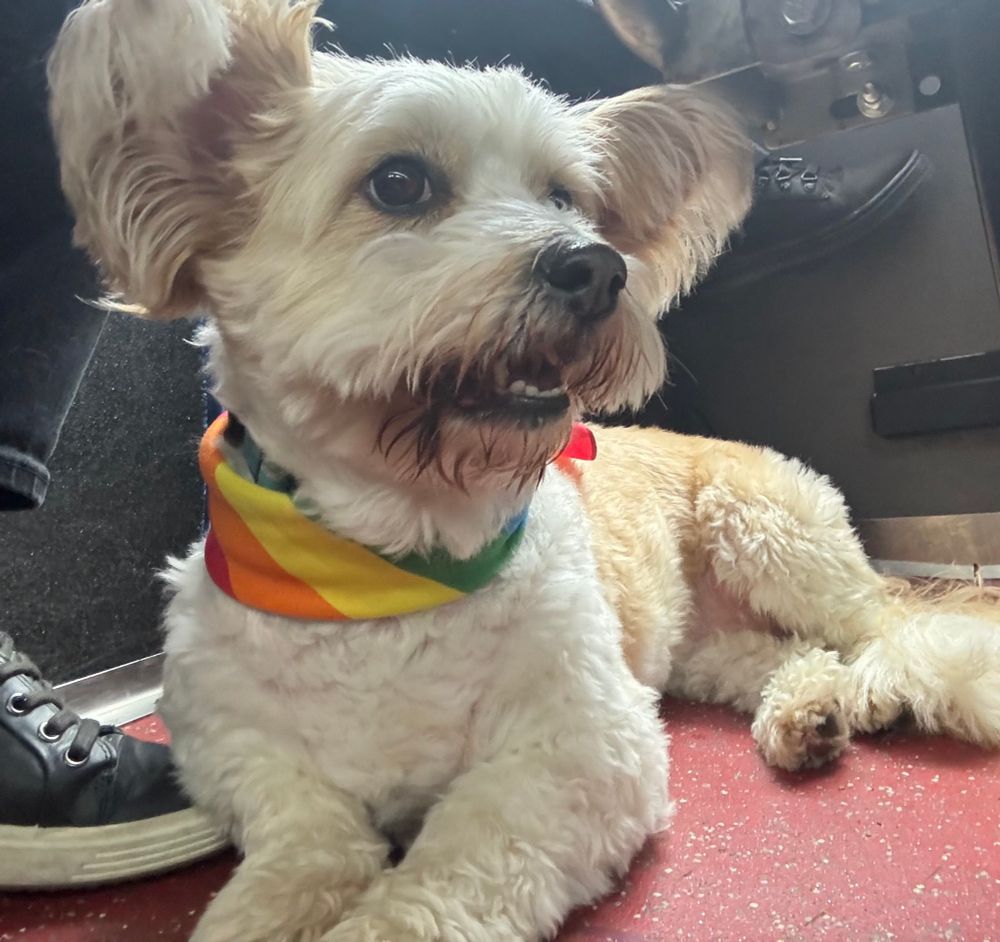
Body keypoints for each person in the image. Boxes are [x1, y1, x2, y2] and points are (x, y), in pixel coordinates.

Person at [0, 0, 928, 890]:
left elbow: (598, 769)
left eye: (567, 199)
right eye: (403, 186)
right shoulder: (220, 613)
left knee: (824, 614)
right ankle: (794, 667)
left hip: (688, 542)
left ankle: (836, 658)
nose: (583, 252)